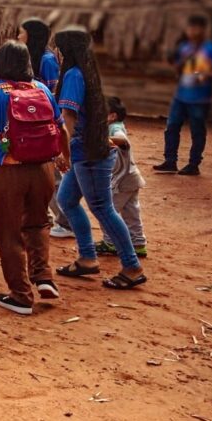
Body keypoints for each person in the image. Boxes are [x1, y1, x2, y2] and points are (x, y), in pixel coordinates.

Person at [0, 41, 69, 315]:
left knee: (8, 232)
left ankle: (21, 295)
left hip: (5, 169)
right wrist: (65, 157)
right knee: (38, 223)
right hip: (43, 169)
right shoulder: (42, 89)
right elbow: (61, 129)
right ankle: (44, 277)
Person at [53, 27, 146, 291]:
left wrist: (62, 152)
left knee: (102, 208)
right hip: (90, 150)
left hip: (88, 153)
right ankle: (87, 257)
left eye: (59, 48)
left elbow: (68, 117)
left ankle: (132, 267)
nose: (57, 53)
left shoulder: (73, 74)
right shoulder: (90, 72)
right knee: (67, 200)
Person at [17, 17, 72, 238]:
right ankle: (42, 215)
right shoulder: (28, 57)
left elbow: (53, 94)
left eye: (21, 33)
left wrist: (53, 125)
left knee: (52, 175)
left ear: (31, 35)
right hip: (29, 123)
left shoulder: (47, 60)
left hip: (44, 123)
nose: (18, 37)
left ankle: (66, 221)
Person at [154, 14, 212, 176]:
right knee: (171, 126)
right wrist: (176, 62)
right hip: (181, 95)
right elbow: (178, 68)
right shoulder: (184, 47)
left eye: (195, 28)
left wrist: (207, 75)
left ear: (203, 30)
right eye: (190, 28)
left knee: (197, 130)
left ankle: (193, 164)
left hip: (201, 97)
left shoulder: (211, 48)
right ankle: (170, 161)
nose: (192, 31)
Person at [96, 97, 148, 259]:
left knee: (106, 211)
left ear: (112, 116)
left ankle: (110, 242)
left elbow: (123, 140)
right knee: (131, 213)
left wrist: (102, 141)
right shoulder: (114, 126)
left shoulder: (115, 128)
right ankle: (138, 244)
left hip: (122, 181)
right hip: (131, 177)